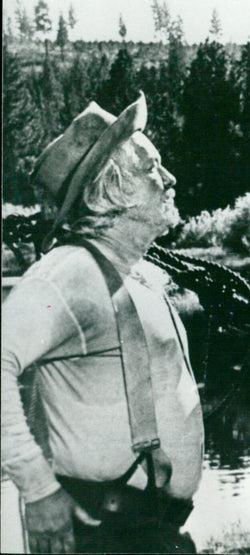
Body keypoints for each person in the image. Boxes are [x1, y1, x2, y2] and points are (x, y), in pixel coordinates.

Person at [1, 93, 204, 553]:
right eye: (152, 168)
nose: (169, 178)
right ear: (111, 189)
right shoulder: (68, 274)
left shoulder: (138, 272)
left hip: (152, 532)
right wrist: (37, 487)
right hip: (105, 533)